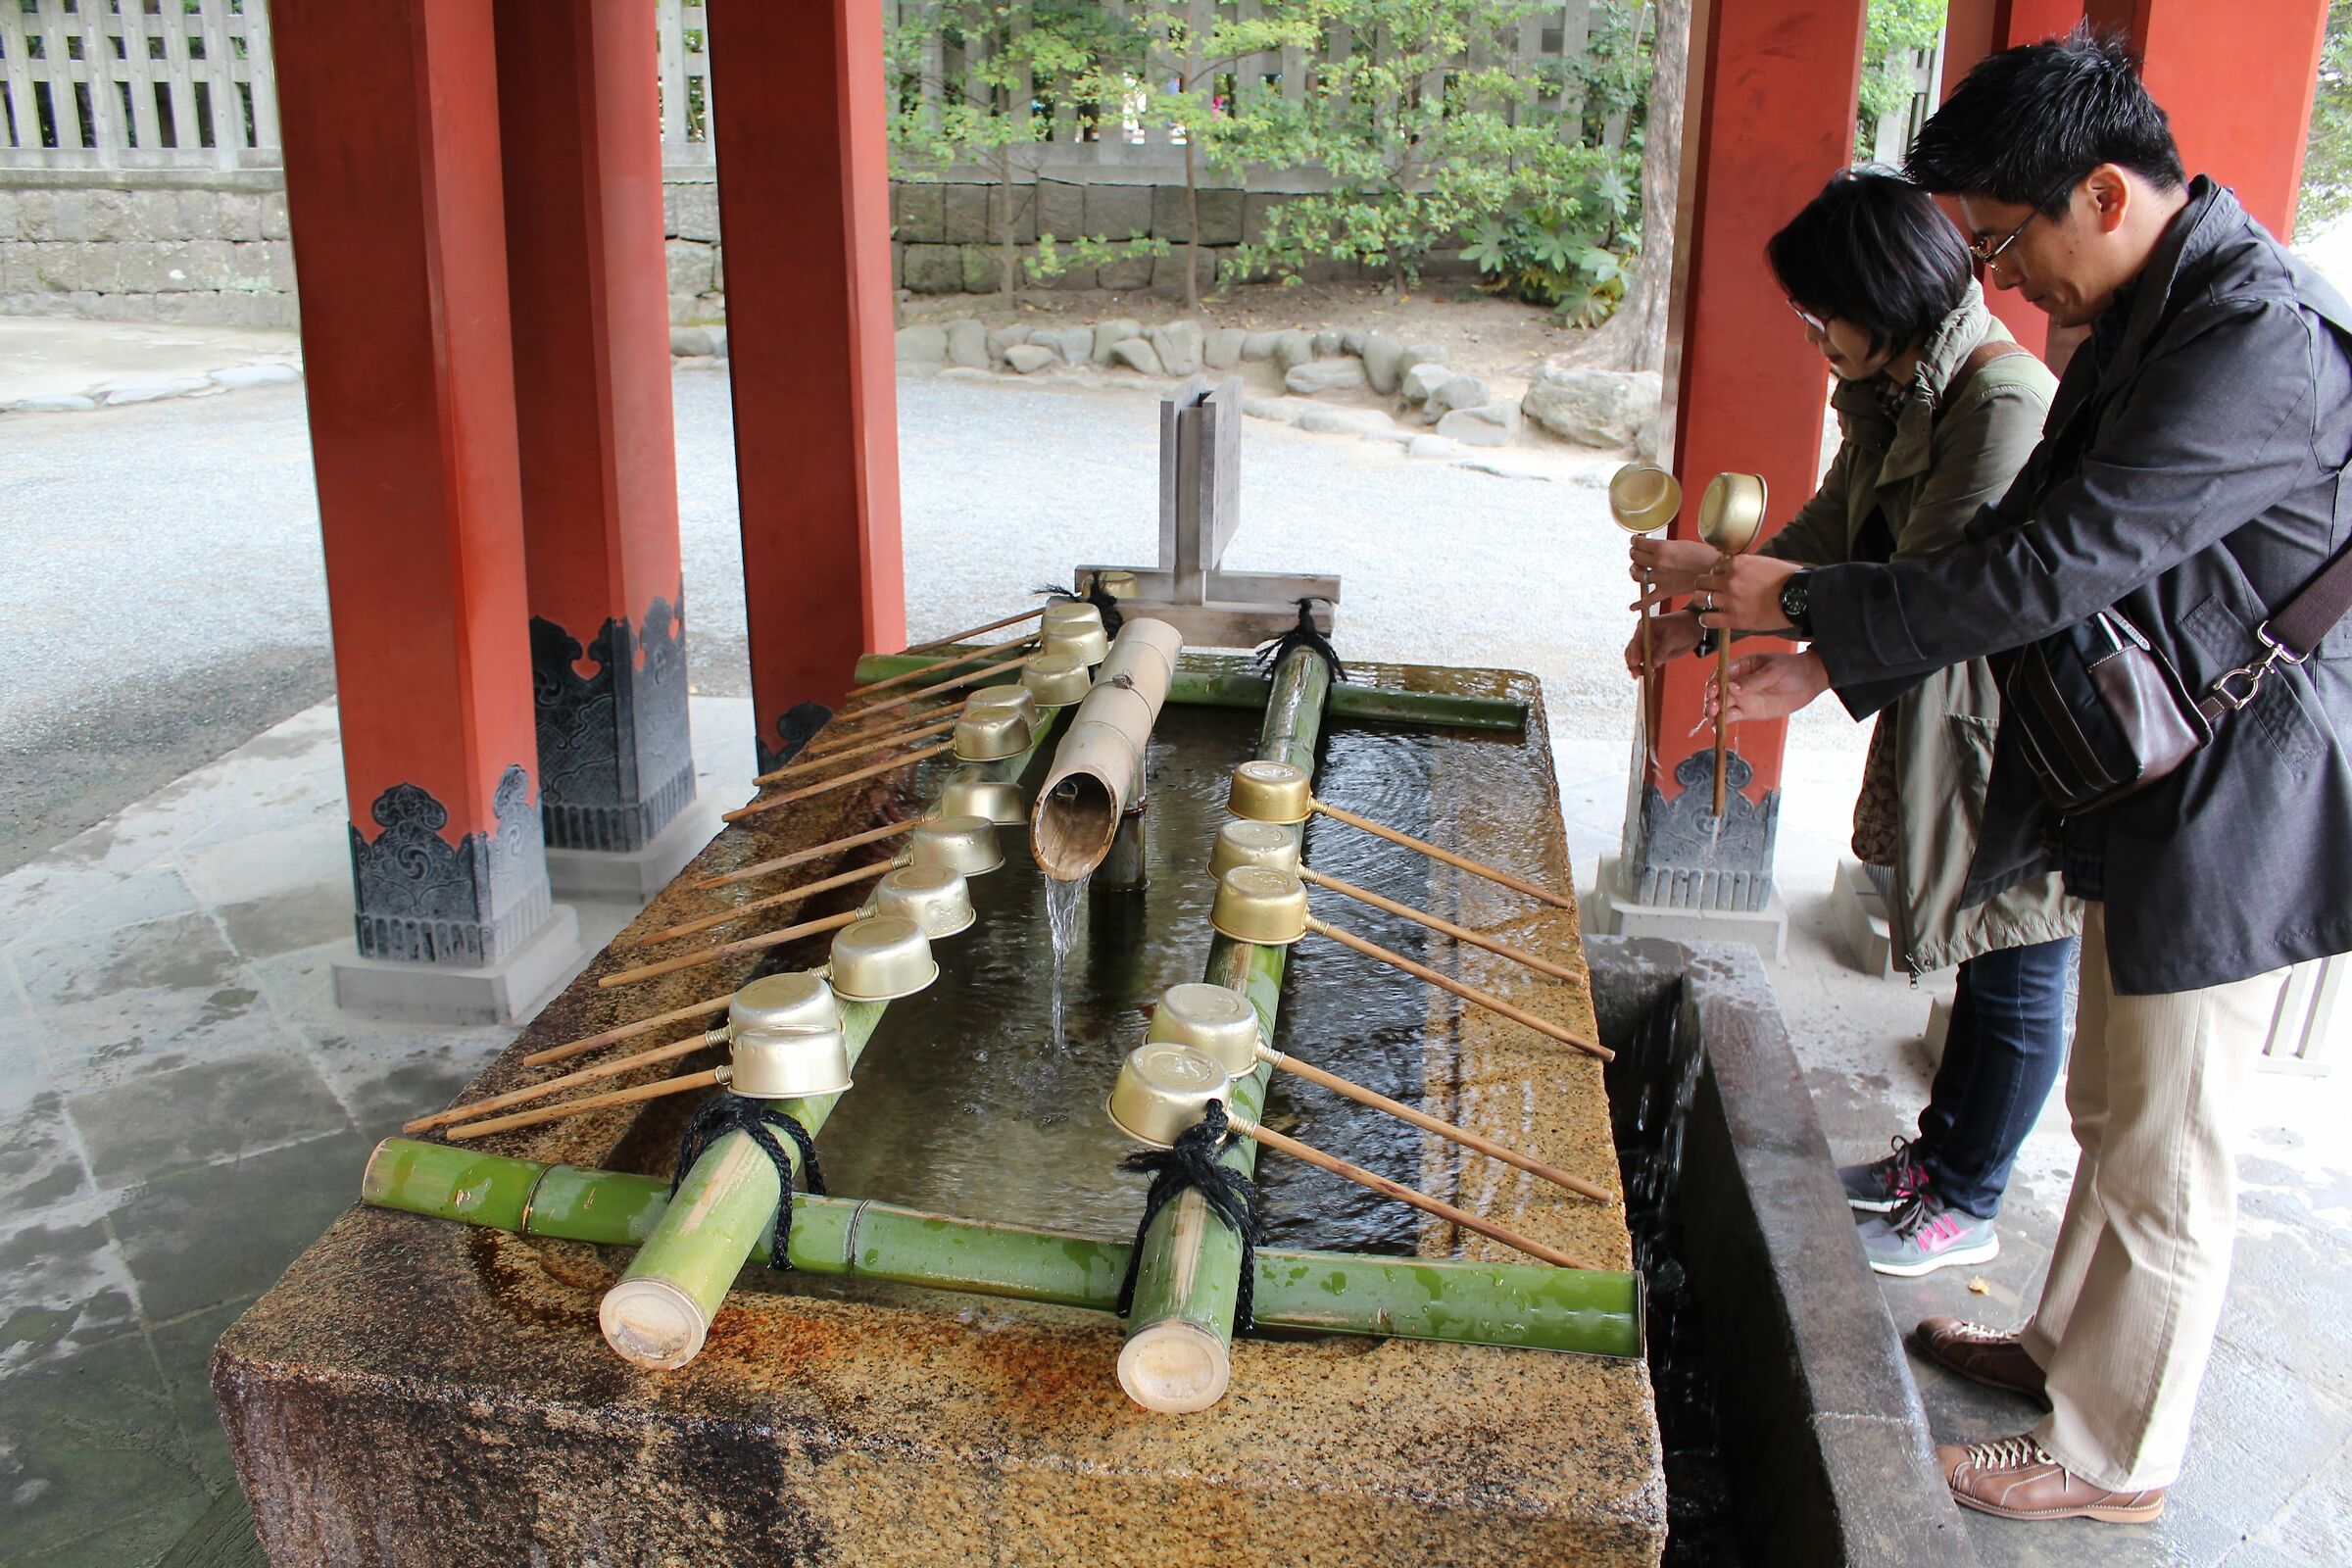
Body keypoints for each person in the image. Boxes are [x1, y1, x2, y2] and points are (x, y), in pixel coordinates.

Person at [1691, 30, 2352, 1527]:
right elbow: (2014, 546)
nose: (1994, 280)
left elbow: (2057, 567)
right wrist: (1832, 657)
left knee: (2172, 1140)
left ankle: (2117, 1455)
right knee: (2120, 1110)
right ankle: (2066, 1348)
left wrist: (1798, 608)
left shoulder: (2258, 343)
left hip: (2238, 790)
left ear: (2102, 195)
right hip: (2153, 768)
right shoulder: (2157, 313)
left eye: (2001, 240)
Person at [1627, 168, 2080, 1279]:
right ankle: (1938, 1161)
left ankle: (1968, 1196)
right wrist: (1707, 603)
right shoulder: (1893, 389)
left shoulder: (1999, 398)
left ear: (1878, 298)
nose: (1809, 330)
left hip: (2030, 722)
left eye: (1818, 308)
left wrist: (1811, 663)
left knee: (2018, 949)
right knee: (1980, 947)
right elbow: (1837, 530)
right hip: (1963, 705)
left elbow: (1930, 587)